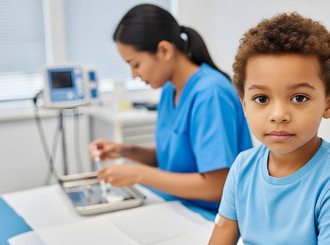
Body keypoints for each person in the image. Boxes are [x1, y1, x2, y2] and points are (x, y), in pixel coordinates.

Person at [209, 13, 330, 244]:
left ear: (329, 104)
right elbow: (222, 235)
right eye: (261, 98)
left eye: (299, 98)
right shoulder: (242, 168)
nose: (279, 115)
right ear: (244, 104)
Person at [88, 4, 252, 218]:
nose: (134, 74)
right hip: (175, 206)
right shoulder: (169, 90)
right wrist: (125, 151)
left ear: (164, 50)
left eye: (135, 64)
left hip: (211, 218)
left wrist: (138, 174)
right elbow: (174, 159)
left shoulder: (210, 93)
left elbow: (217, 186)